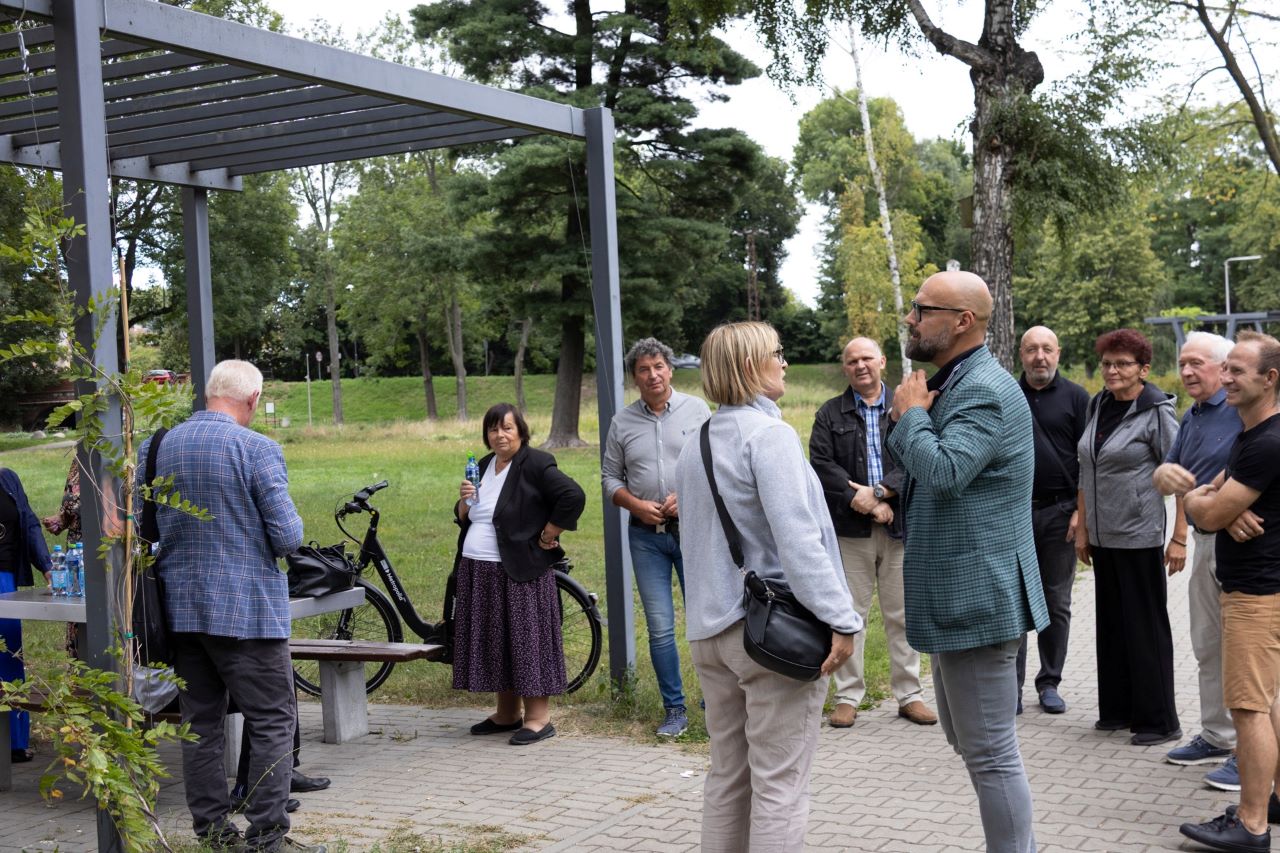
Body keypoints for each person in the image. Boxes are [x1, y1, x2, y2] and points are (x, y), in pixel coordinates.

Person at [676, 321, 860, 852]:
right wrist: (842, 619)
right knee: (780, 785)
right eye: (776, 353)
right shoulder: (770, 437)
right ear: (750, 366)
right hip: (768, 635)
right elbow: (799, 541)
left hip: (710, 631)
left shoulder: (698, 442)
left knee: (728, 777)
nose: (784, 362)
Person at [885, 270, 1048, 853]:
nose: (910, 318)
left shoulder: (983, 388)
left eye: (922, 309)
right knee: (971, 743)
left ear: (962, 322)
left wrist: (908, 416)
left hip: (977, 596)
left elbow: (947, 471)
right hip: (958, 597)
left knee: (991, 753)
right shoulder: (952, 382)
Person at [141, 359, 320, 853]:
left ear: (208, 393)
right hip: (247, 614)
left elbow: (143, 527)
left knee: (200, 725)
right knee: (272, 719)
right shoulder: (258, 449)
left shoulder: (156, 447)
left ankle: (215, 834)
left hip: (180, 612)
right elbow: (287, 537)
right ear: (253, 399)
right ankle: (267, 836)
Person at [1180, 331, 1280, 853]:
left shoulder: (1266, 441)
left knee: (1247, 708)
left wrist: (1205, 505)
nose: (1226, 378)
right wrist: (1214, 501)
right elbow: (1216, 491)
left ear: (1271, 379)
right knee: (1267, 702)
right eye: (1228, 369)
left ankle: (1251, 823)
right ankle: (1277, 796)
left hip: (1258, 594)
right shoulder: (1254, 434)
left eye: (1238, 371)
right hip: (1259, 588)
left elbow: (1210, 508)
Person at [809, 336, 936, 729]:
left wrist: (882, 494)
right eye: (852, 361)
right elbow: (821, 465)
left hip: (899, 527)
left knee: (901, 615)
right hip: (850, 531)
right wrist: (862, 501)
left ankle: (909, 694)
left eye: (866, 358)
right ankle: (848, 696)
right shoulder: (830, 413)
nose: (860, 366)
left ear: (881, 361)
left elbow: (918, 453)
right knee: (850, 616)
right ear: (845, 368)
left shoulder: (904, 408)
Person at [453, 403, 586, 746]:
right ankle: (507, 713)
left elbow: (573, 496)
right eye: (493, 429)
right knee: (499, 641)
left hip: (519, 571)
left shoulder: (536, 463)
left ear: (521, 432)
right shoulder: (483, 465)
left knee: (527, 642)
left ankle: (539, 718)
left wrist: (549, 534)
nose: (500, 435)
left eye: (507, 428)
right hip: (479, 570)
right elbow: (467, 516)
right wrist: (464, 501)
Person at [1075, 329, 1181, 747]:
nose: (1113, 371)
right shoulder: (1097, 405)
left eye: (1122, 364)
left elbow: (1181, 475)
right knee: (1112, 627)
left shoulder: (1156, 410)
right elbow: (1086, 467)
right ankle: (1117, 710)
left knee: (1145, 628)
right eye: (1107, 364)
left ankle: (1159, 720)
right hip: (1102, 536)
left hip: (1139, 535)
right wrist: (1082, 527)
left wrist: (1179, 537)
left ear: (1143, 370)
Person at [602, 337, 710, 737]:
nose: (653, 375)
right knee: (661, 625)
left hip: (692, 531)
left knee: (706, 619)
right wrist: (634, 504)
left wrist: (688, 495)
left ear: (670, 369)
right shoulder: (622, 422)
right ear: (635, 378)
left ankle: (715, 700)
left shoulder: (697, 410)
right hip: (646, 537)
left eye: (658, 366)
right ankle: (675, 709)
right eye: (644, 370)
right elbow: (609, 477)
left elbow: (714, 464)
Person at [1153, 332, 1243, 789]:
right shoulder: (1193, 416)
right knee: (1208, 645)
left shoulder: (1250, 411)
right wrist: (1162, 474)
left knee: (1250, 654)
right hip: (1207, 540)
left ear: (1225, 368)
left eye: (1196, 364)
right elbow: (1169, 473)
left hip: (1247, 545)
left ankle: (1252, 752)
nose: (1186, 371)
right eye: (1182, 363)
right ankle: (1217, 734)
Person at [1016, 326, 1090, 716]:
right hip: (1014, 512)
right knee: (1013, 601)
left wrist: (1082, 511)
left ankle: (1049, 682)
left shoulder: (1078, 398)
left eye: (1047, 349)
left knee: (1056, 600)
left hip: (1061, 512)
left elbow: (1090, 461)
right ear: (1021, 354)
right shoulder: (1008, 394)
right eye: (1032, 350)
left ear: (1058, 353)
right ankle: (1011, 687)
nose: (1039, 357)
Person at [0, 466, 52, 764]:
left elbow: (30, 523)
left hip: (4, 580)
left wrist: (46, 565)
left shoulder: (7, 479)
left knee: (8, 657)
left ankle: (14, 743)